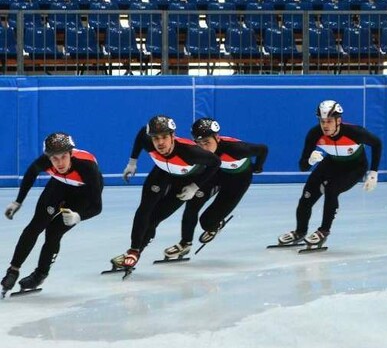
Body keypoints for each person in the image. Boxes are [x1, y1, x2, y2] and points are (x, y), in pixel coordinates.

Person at [112, 115, 221, 269]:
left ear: (173, 136)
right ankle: (134, 251)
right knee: (145, 209)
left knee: (154, 219)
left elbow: (216, 163)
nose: (160, 142)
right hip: (162, 172)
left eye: (164, 137)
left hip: (184, 182)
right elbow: (142, 133)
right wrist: (132, 162)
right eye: (155, 138)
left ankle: (140, 247)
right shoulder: (148, 141)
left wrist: (195, 186)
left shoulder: (190, 152)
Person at [1, 132, 103, 293]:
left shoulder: (87, 167)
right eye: (54, 158)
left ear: (70, 153)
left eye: (63, 157)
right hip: (60, 186)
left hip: (82, 196)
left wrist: (79, 216)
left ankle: (40, 274)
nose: (59, 163)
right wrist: (18, 201)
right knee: (35, 226)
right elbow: (31, 173)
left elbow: (97, 206)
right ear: (48, 158)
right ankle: (13, 270)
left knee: (54, 231)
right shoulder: (46, 161)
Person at [277, 100, 382, 248]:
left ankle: (323, 231)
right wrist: (310, 161)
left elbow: (377, 143)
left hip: (355, 167)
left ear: (338, 120)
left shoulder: (355, 133)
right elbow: (302, 166)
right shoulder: (314, 134)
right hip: (331, 163)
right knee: (307, 196)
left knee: (331, 190)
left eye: (329, 121)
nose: (325, 125)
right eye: (322, 121)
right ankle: (300, 231)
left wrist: (373, 173)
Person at [162, 118, 269, 259]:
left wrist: (258, 168)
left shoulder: (236, 149)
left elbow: (263, 149)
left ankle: (214, 225)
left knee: (207, 222)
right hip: (216, 174)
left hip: (238, 180)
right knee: (191, 205)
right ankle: (185, 244)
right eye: (199, 144)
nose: (204, 148)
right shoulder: (199, 151)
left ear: (217, 137)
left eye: (207, 142)